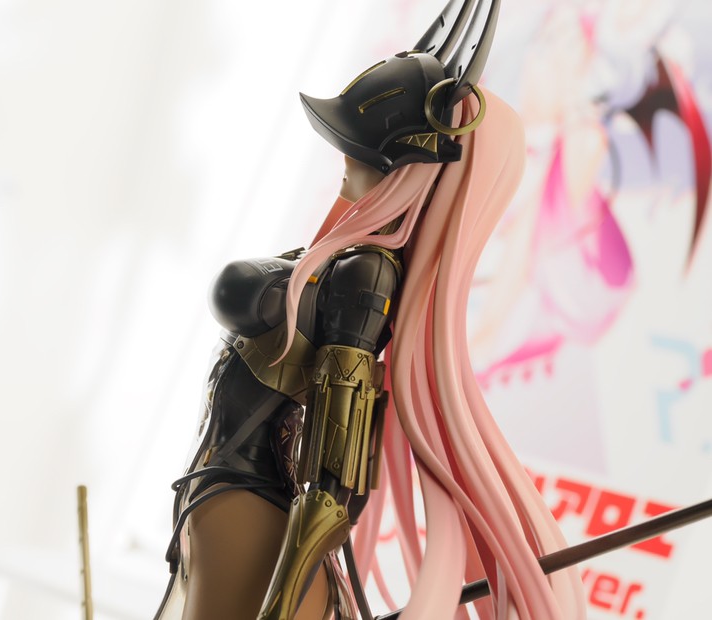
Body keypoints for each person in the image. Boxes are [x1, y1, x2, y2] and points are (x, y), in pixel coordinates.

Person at [155, 1, 587, 618]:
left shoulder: (366, 274)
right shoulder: (341, 254)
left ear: (405, 170)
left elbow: (334, 473)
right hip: (218, 492)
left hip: (246, 509)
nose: (345, 159)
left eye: (358, 150)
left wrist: (281, 603)